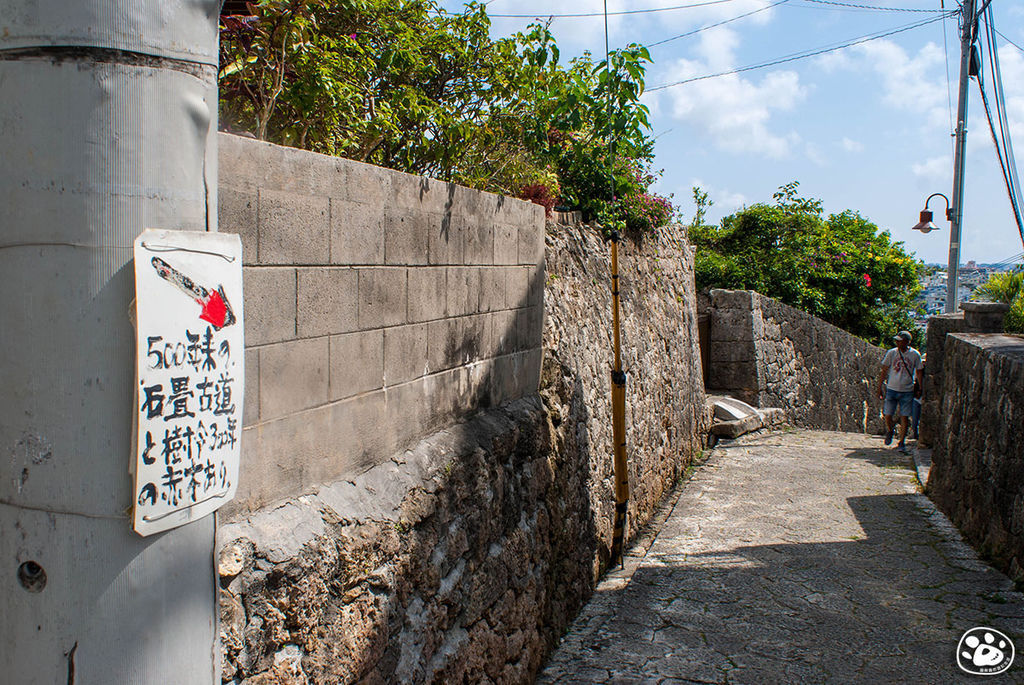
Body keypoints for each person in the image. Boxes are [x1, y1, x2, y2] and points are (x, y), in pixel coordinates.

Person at [877, 330, 923, 454]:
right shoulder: (892, 353)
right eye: (897, 340)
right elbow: (884, 370)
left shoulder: (914, 354)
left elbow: (919, 371)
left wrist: (920, 387)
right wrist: (880, 386)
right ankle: (890, 430)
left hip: (907, 390)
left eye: (900, 340)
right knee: (887, 415)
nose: (897, 342)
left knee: (904, 416)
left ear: (907, 342)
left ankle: (901, 442)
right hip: (892, 388)